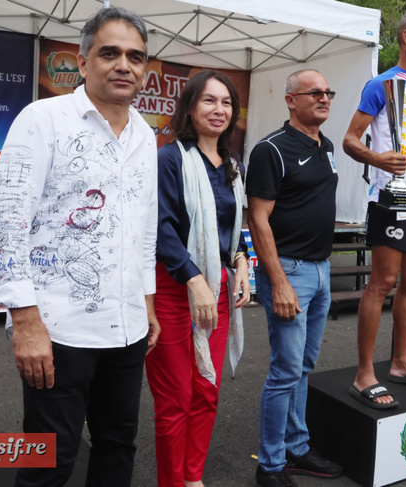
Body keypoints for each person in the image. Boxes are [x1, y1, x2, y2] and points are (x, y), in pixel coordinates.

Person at [0, 8, 159, 486]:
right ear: (82, 63)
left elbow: (143, 230)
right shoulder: (44, 119)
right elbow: (4, 224)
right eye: (110, 53)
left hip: (126, 330)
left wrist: (146, 303)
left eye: (135, 56)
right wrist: (25, 322)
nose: (124, 65)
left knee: (118, 447)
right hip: (58, 330)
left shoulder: (145, 135)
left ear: (145, 69)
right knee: (48, 462)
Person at [148, 70, 251, 487]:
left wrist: (242, 262)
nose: (219, 110)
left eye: (226, 102)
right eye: (209, 101)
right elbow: (160, 227)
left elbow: (234, 227)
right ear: (190, 107)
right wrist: (194, 279)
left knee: (206, 390)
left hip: (218, 289)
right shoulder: (169, 158)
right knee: (175, 399)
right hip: (175, 292)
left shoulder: (232, 164)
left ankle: (193, 479)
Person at [342, 10, 406, 410]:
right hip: (390, 197)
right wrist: (378, 159)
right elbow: (350, 139)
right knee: (382, 282)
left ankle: (401, 362)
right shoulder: (380, 85)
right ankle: (363, 373)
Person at [246, 69, 342, 487]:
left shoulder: (328, 146)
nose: (323, 98)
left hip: (321, 270)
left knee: (303, 367)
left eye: (328, 93)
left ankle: (297, 449)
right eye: (314, 93)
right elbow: (258, 220)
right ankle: (269, 467)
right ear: (290, 99)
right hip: (290, 271)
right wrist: (279, 281)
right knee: (285, 371)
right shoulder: (271, 150)